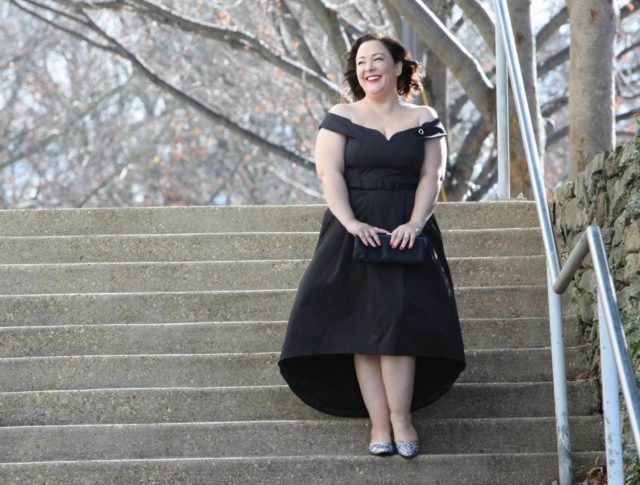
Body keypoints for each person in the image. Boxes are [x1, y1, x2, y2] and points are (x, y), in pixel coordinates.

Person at [277, 32, 466, 459]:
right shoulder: (340, 115)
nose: (369, 68)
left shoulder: (424, 117)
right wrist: (349, 222)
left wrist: (415, 224)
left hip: (408, 230)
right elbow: (330, 174)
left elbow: (431, 176)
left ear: (398, 67)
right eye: (362, 62)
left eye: (378, 59)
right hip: (353, 230)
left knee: (399, 325)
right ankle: (379, 423)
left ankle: (403, 419)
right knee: (360, 328)